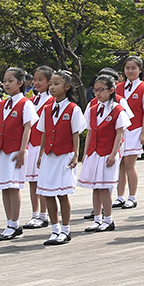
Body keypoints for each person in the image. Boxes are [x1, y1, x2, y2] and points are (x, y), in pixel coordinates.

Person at [36, 70, 87, 246]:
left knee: (62, 194)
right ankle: (54, 229)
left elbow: (76, 134)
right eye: (51, 84)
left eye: (56, 84)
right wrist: (41, 153)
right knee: (48, 193)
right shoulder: (47, 108)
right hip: (49, 155)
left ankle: (65, 230)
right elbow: (43, 132)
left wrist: (75, 155)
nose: (52, 87)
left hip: (64, 155)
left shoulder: (73, 109)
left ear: (67, 87)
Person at [78, 74, 131, 234]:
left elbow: (119, 134)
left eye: (101, 90)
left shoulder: (118, 110)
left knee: (105, 187)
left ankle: (108, 219)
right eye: (95, 90)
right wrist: (85, 152)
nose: (98, 94)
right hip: (94, 152)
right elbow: (89, 132)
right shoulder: (92, 109)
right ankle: (97, 218)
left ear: (111, 90)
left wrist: (114, 154)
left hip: (108, 152)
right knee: (95, 186)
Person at [0, 68, 36, 240]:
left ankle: (14, 223)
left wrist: (22, 149)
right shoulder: (2, 104)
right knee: (4, 186)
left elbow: (28, 127)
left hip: (16, 150)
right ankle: (9, 222)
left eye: (11, 81)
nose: (7, 84)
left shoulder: (25, 103)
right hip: (2, 151)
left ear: (20, 83)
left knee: (14, 186)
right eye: (5, 80)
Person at [116, 56, 144, 210]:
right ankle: (120, 196)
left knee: (129, 164)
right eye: (127, 68)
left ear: (140, 70)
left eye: (134, 68)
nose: (130, 71)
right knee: (119, 164)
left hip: (135, 130)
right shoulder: (118, 88)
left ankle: (132, 197)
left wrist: (143, 133)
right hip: (120, 131)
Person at [23, 66, 54, 229]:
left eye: (40, 79)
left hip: (43, 146)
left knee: (42, 181)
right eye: (34, 79)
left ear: (49, 82)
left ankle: (44, 214)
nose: (36, 83)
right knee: (32, 181)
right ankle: (35, 214)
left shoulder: (52, 101)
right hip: (31, 145)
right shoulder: (32, 100)